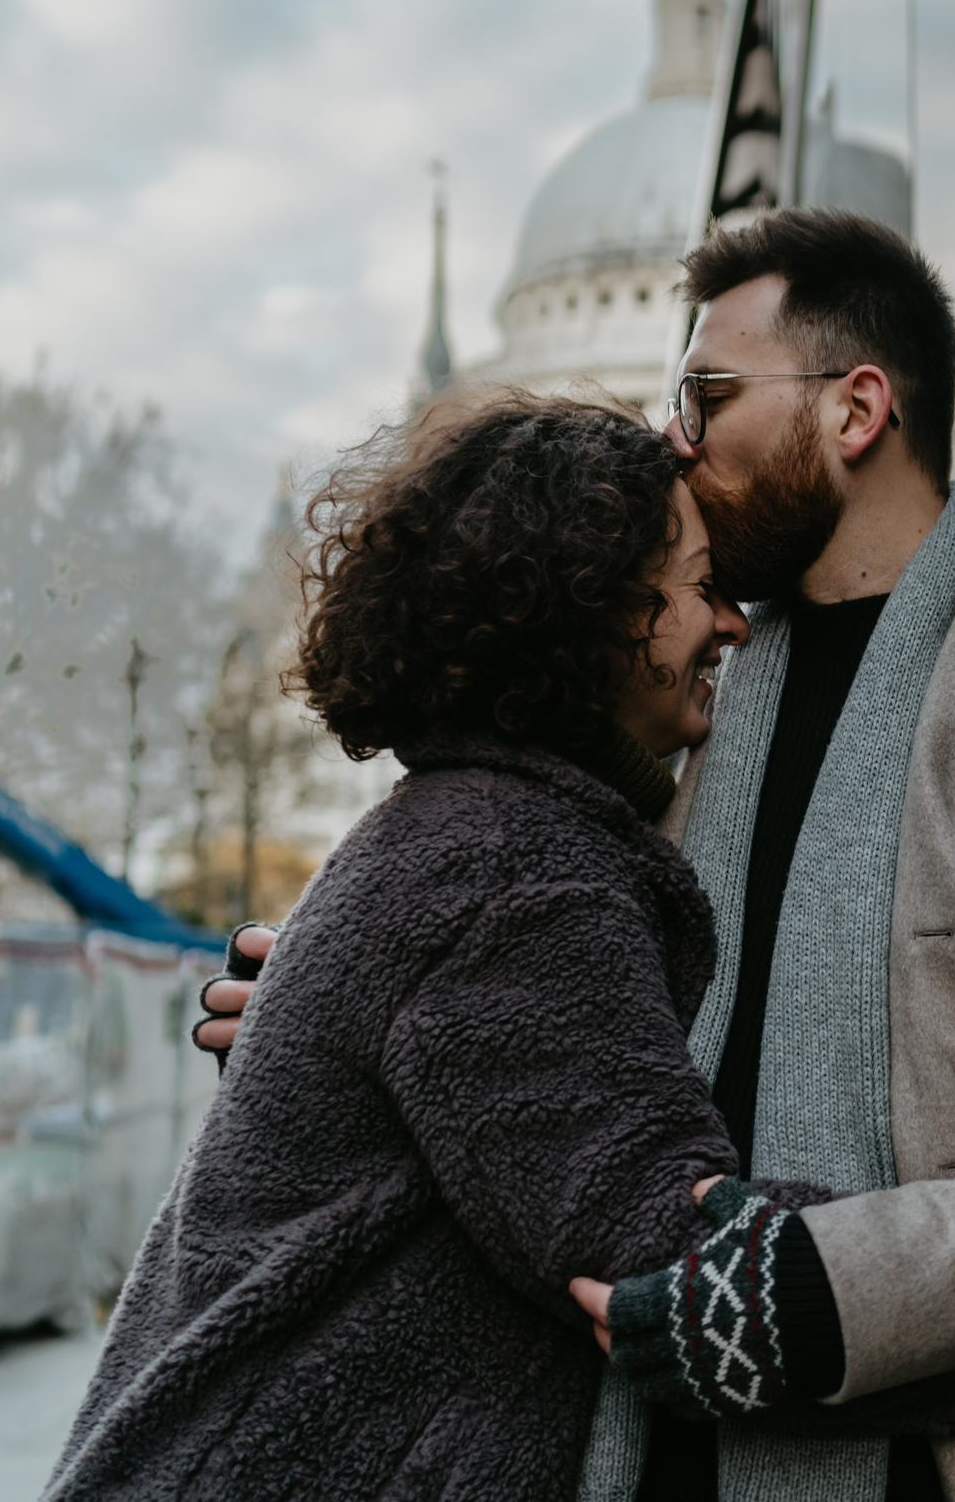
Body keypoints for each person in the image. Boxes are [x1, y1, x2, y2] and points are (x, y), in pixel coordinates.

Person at [195, 209, 955, 1502]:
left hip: (941, 1470)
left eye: (707, 392)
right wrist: (355, 1008)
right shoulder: (642, 677)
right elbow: (511, 963)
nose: (676, 436)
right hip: (591, 1443)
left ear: (855, 409)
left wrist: (860, 1297)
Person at [46, 396, 758, 1498]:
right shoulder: (513, 866)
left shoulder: (463, 829)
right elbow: (669, 1252)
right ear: (600, 602)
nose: (735, 626)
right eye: (706, 585)